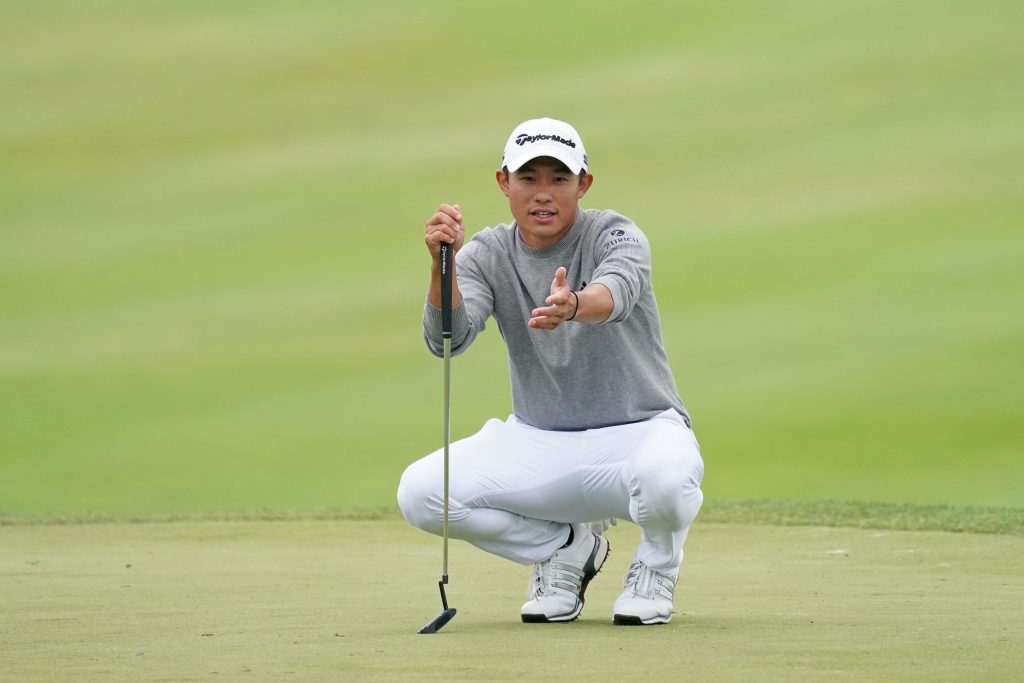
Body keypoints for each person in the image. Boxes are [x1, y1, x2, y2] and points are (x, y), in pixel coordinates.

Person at [397, 117, 704, 625]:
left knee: (667, 480)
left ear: (583, 184)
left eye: (559, 179)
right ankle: (564, 547)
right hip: (539, 442)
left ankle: (656, 567)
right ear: (504, 183)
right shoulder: (486, 253)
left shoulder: (616, 234)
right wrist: (441, 266)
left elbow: (616, 293)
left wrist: (575, 303)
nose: (544, 194)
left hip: (638, 432)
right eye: (529, 178)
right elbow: (447, 340)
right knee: (422, 493)